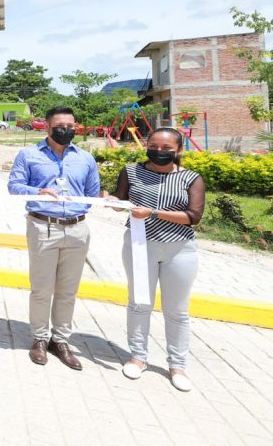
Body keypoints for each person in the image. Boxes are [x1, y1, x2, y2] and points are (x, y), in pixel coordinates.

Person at [8, 106, 101, 371]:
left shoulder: (85, 158)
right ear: (47, 127)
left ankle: (60, 340)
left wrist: (77, 210)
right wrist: (39, 191)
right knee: (42, 288)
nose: (66, 130)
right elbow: (14, 187)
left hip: (77, 229)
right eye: (60, 125)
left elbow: (92, 193)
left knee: (68, 290)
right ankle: (39, 338)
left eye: (71, 126)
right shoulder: (29, 155)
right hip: (42, 227)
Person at [115, 127, 204, 392]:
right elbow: (120, 200)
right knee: (139, 303)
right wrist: (110, 200)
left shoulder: (191, 178)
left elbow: (193, 216)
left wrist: (153, 212)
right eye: (154, 145)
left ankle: (177, 365)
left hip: (180, 250)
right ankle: (138, 357)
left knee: (177, 310)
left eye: (167, 148)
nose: (160, 151)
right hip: (139, 246)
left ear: (179, 150)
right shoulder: (131, 171)